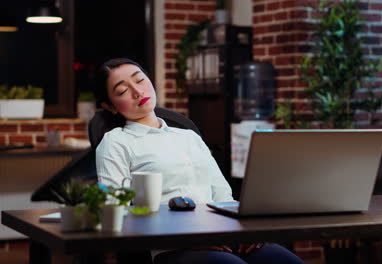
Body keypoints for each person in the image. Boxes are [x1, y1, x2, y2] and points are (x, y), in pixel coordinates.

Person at [94, 58, 304, 264]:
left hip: (222, 236)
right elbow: (113, 211)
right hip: (173, 246)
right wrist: (191, 238)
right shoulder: (116, 142)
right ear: (110, 106)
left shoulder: (188, 136)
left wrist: (244, 231)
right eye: (122, 91)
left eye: (139, 80)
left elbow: (223, 196)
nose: (137, 91)